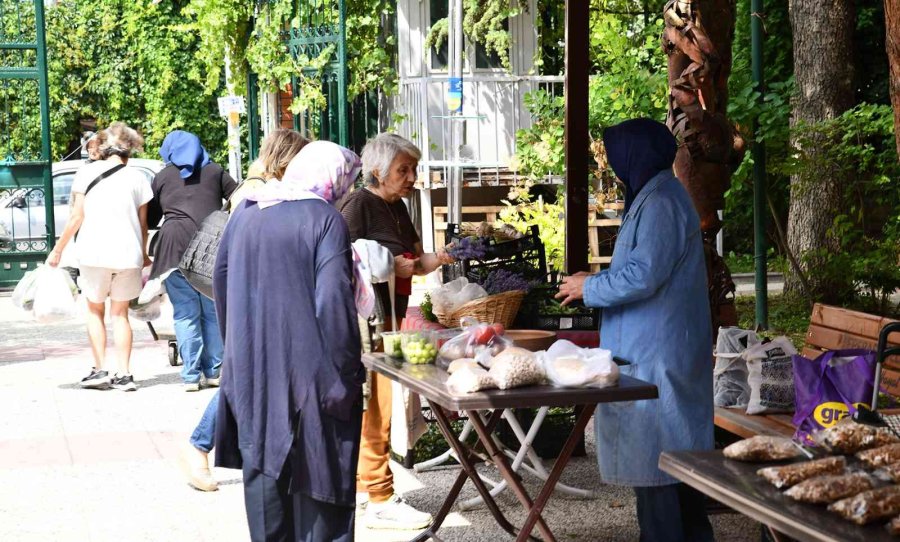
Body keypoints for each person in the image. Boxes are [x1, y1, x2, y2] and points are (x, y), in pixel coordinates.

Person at [556, 118, 715, 542]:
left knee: (660, 460)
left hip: (660, 353)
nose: (611, 163)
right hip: (653, 348)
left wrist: (587, 285)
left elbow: (643, 275)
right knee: (667, 460)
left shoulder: (661, 201)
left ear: (635, 155)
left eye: (616, 154)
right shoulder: (652, 194)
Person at [213, 141, 365, 541]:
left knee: (266, 488)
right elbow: (334, 304)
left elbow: (222, 284)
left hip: (252, 375)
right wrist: (346, 376)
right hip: (312, 382)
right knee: (321, 492)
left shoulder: (246, 212)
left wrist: (238, 354)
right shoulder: (324, 219)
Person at [180, 129, 309, 493]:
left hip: (253, 295)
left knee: (246, 377)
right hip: (250, 298)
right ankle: (198, 447)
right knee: (240, 379)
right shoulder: (255, 191)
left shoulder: (259, 184)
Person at [339, 132, 453, 530]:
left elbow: (414, 262)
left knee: (378, 401)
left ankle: (364, 487)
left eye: (413, 169)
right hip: (367, 320)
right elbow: (346, 260)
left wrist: (438, 259)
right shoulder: (358, 204)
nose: (411, 177)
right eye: (403, 170)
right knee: (378, 402)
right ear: (377, 171)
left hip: (391, 316)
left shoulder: (398, 207)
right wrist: (392, 266)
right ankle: (380, 495)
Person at [46, 122, 152, 392]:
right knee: (121, 314)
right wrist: (144, 255)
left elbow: (77, 216)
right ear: (128, 150)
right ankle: (125, 375)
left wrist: (58, 249)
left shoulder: (86, 173)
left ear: (104, 147)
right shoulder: (138, 177)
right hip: (129, 255)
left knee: (94, 310)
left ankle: (100, 370)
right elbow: (143, 225)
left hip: (94, 253)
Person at [147, 131, 237, 391]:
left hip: (174, 247)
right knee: (212, 312)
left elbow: (152, 219)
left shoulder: (162, 177)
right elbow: (238, 197)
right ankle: (214, 372)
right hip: (211, 246)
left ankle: (189, 376)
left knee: (185, 313)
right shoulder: (215, 171)